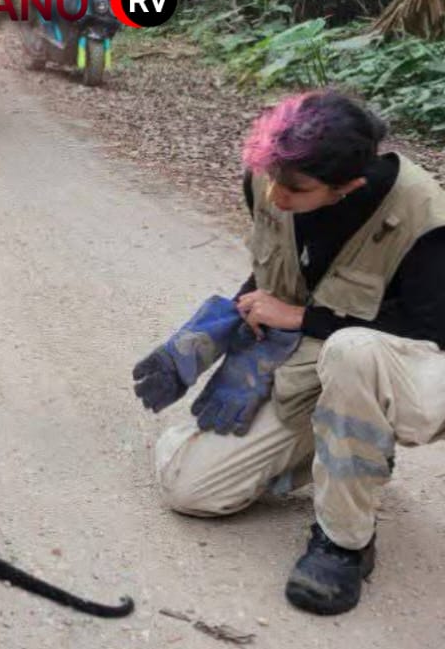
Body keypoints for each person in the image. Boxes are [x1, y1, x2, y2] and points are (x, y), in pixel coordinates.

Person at [138, 90, 445, 616]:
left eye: (295, 189)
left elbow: (431, 329)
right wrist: (218, 329)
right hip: (312, 368)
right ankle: (339, 446)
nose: (275, 195)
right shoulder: (267, 177)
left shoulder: (424, 215)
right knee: (189, 491)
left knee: (352, 352)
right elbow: (275, 270)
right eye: (272, 178)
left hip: (404, 367)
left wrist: (303, 319)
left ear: (348, 186)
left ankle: (344, 543)